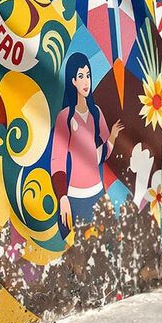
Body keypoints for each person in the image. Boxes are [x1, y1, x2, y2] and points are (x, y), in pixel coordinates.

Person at [51, 52, 123, 229]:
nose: (86, 81)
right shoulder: (65, 117)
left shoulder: (96, 112)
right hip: (74, 198)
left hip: (98, 193)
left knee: (107, 247)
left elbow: (98, 156)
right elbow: (57, 162)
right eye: (81, 76)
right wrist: (62, 197)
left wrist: (112, 137)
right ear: (73, 81)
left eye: (88, 75)